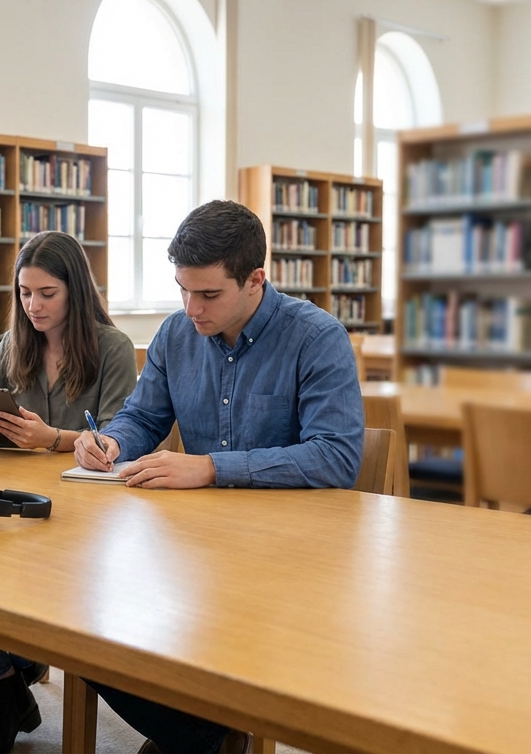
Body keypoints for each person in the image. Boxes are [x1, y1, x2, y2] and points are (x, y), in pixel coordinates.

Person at [73, 199, 364, 753]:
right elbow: (142, 416)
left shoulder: (316, 337)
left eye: (208, 294)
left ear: (256, 280)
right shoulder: (175, 335)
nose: (191, 308)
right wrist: (112, 440)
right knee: (77, 624)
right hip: (194, 548)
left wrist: (211, 467)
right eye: (182, 289)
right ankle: (195, 734)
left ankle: (190, 733)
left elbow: (336, 456)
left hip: (290, 558)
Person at [0, 230, 137, 754]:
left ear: (75, 291)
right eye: (24, 293)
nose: (33, 305)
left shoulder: (112, 347)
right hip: (13, 500)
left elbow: (120, 437)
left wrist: (54, 439)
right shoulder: (15, 343)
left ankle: (12, 674)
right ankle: (9, 685)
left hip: (89, 515)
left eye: (46, 293)